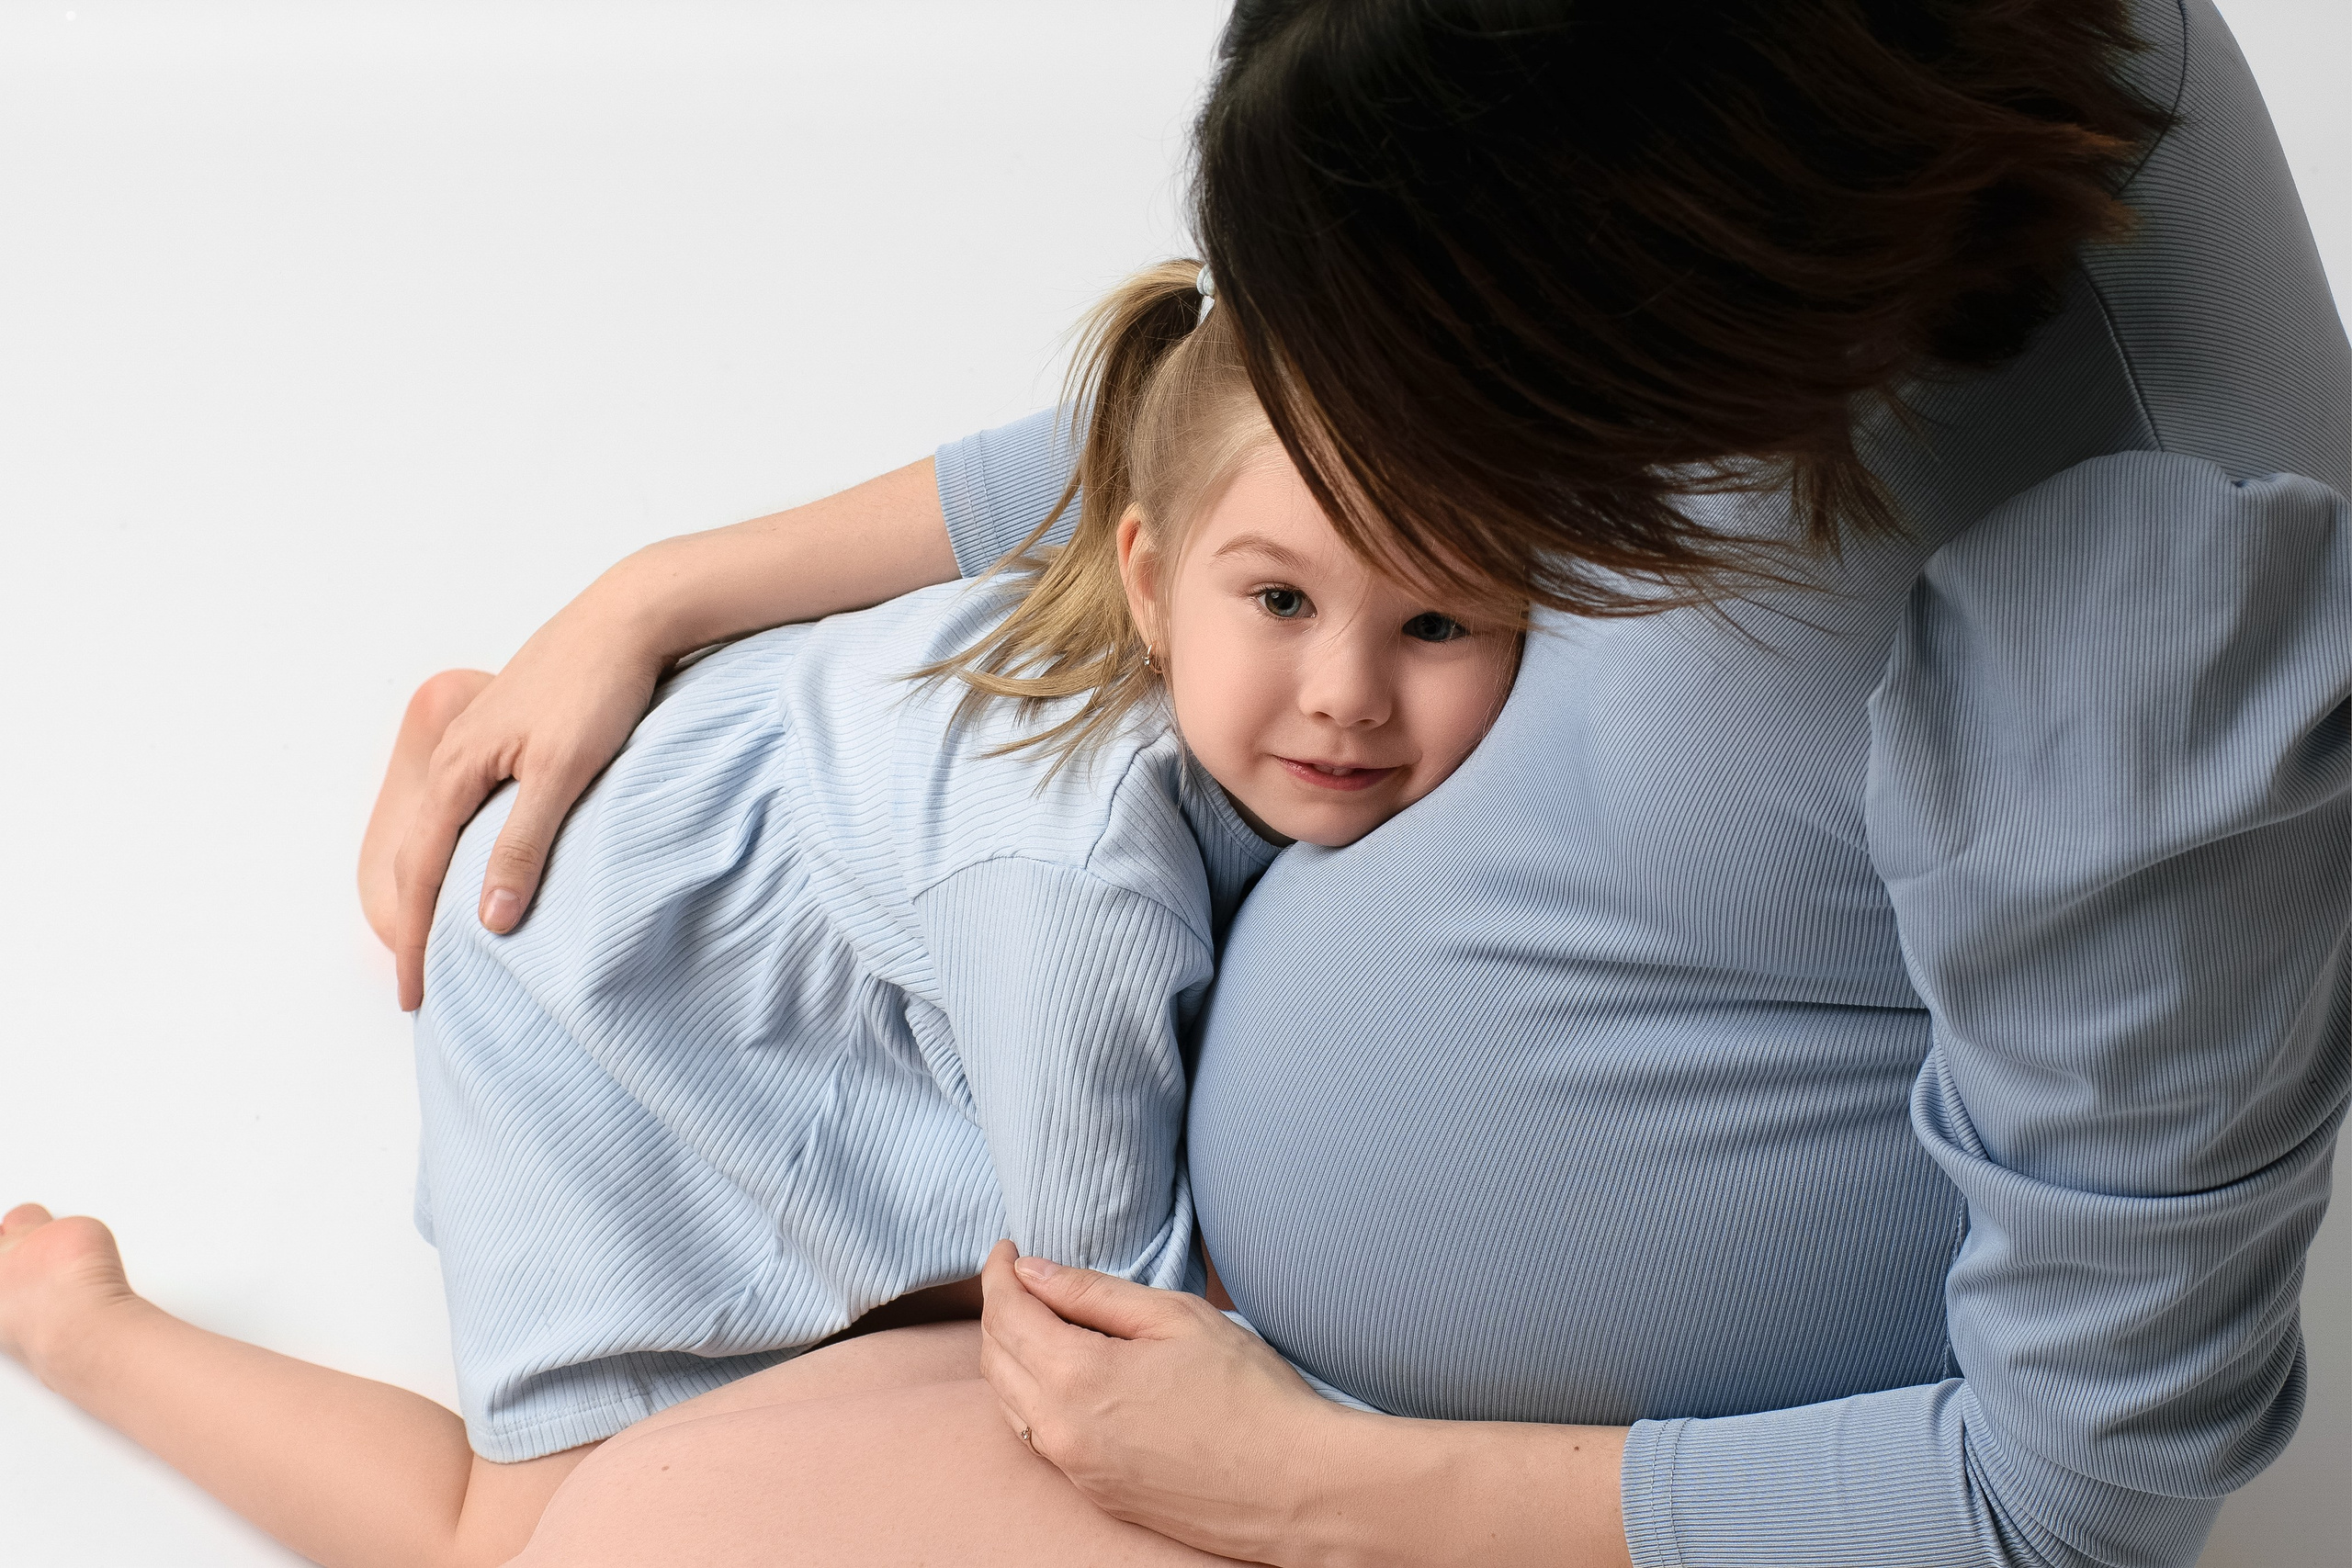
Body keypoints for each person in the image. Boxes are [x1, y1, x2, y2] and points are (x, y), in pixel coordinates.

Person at [422, 3, 2352, 1565]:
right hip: (1180, 1239)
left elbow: (2068, 1502)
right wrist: (668, 592)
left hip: (1431, 1454)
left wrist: (1310, 1489)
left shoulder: (2144, 667)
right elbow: (1263, 428)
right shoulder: (1898, 79)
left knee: (610, 1535)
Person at [0, 264, 1515, 1566]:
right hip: (598, 1002)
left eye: (1436, 624)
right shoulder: (1070, 892)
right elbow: (1109, 1311)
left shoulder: (1204, 595)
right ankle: (86, 1328)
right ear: (1147, 571)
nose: (1348, 697)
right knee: (506, 1534)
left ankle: (506, 770)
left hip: (738, 809)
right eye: (1285, 607)